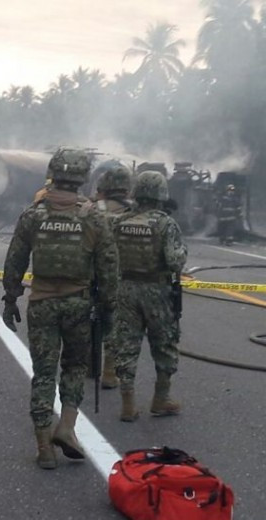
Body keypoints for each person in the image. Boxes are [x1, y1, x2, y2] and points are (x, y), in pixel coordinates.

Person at [2, 148, 120, 470]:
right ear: (82, 178)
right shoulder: (93, 216)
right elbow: (109, 267)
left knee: (43, 373)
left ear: (52, 173)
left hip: (41, 303)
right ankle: (66, 428)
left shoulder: (33, 214)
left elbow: (15, 260)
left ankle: (43, 446)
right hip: (79, 304)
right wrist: (108, 309)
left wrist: (10, 298)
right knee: (75, 367)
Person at [110, 171, 187, 422]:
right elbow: (175, 262)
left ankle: (128, 404)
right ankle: (161, 398)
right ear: (161, 194)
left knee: (126, 345)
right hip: (158, 292)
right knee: (164, 343)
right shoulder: (166, 223)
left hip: (125, 288)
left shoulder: (119, 221)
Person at [93, 164, 135, 390]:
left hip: (89, 274)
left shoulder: (90, 208)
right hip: (120, 275)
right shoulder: (134, 212)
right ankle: (109, 371)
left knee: (86, 321)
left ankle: (88, 365)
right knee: (114, 322)